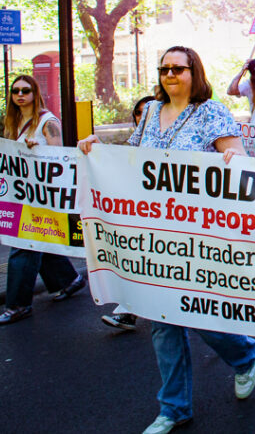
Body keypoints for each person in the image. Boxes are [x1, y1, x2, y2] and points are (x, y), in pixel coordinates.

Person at [78, 46, 255, 434]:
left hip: (198, 236)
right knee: (162, 319)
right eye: (164, 69)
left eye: (178, 68)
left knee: (204, 318)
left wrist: (233, 159)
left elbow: (237, 155)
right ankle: (173, 408)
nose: (170, 74)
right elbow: (130, 161)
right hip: (155, 237)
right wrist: (97, 152)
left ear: (195, 72)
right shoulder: (150, 113)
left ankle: (244, 355)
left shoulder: (211, 112)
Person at [0, 75, 86, 326]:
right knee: (38, 241)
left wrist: (38, 149)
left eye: (25, 90)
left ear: (35, 93)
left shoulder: (48, 122)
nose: (20, 95)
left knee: (23, 245)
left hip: (42, 200)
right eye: (15, 91)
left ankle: (18, 305)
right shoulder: (13, 122)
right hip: (22, 195)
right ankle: (68, 280)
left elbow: (58, 157)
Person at [100, 95, 158, 332]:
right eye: (139, 113)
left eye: (149, 112)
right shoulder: (135, 143)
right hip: (141, 214)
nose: (144, 117)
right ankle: (129, 311)